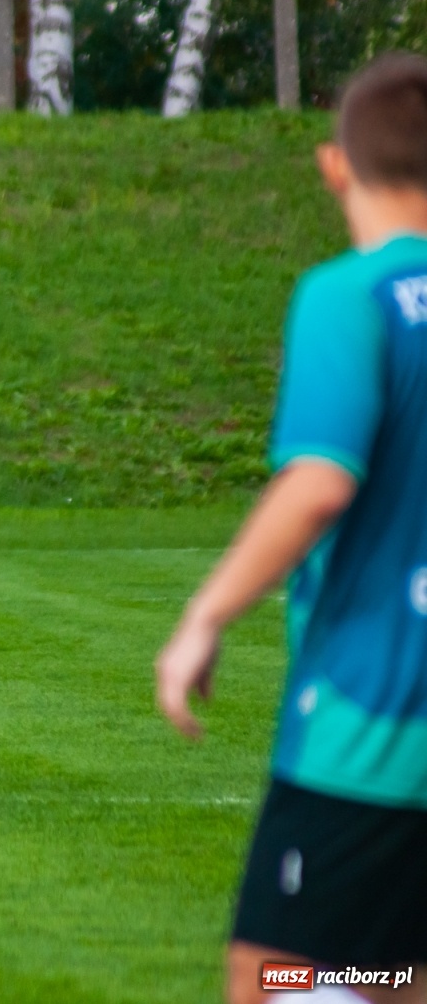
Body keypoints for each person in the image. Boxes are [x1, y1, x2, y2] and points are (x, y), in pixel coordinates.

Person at [155, 53, 427, 1004]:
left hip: (373, 723)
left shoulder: (351, 297)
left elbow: (318, 484)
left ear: (334, 166)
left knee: (272, 971)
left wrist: (205, 617)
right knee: (400, 975)